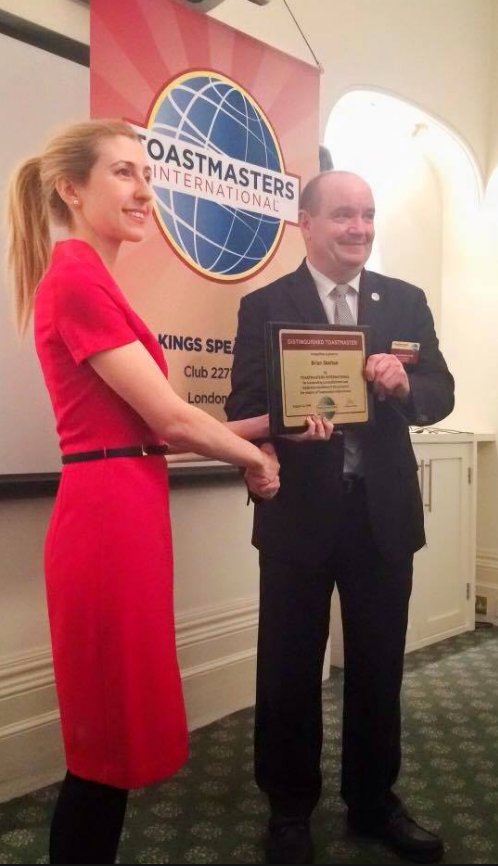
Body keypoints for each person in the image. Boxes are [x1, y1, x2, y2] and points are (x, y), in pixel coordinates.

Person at [6, 119, 333, 865]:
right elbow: (172, 420)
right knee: (101, 751)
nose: (143, 192)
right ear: (70, 188)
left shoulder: (89, 276)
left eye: (145, 176)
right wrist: (252, 463)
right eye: (123, 173)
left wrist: (270, 427)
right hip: (108, 515)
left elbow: (160, 423)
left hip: (127, 502)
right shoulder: (78, 276)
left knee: (112, 741)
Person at [225, 170, 455, 865]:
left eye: (368, 215)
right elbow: (244, 408)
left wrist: (403, 385)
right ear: (306, 223)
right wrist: (279, 435)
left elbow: (439, 391)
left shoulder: (404, 301)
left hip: (381, 516)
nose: (359, 228)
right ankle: (290, 810)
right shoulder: (266, 304)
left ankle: (372, 801)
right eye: (343, 216)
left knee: (379, 666)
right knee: (288, 669)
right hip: (297, 516)